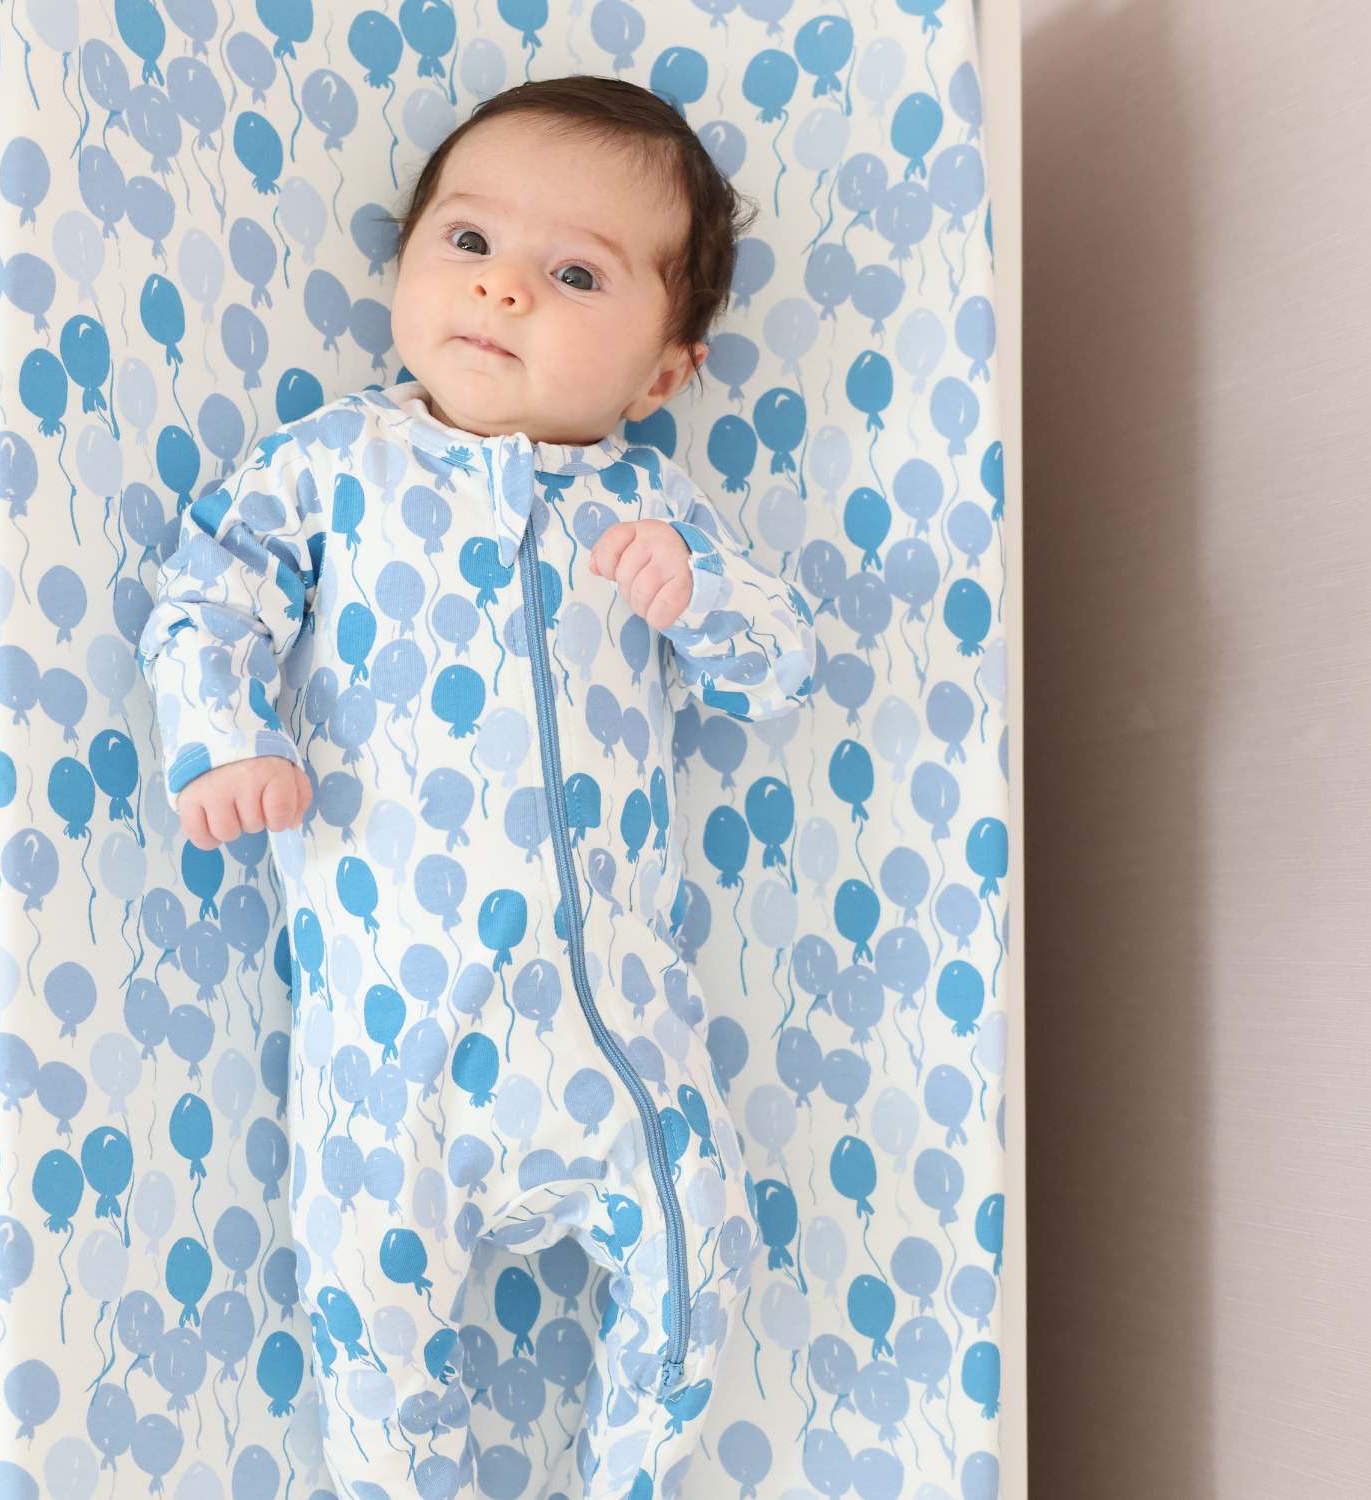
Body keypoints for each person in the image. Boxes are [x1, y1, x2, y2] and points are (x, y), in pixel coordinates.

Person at [138, 74, 816, 1500]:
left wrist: (699, 600)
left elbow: (780, 669)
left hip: (619, 1029)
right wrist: (225, 735)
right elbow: (207, 597)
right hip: (391, 1043)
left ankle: (629, 1477)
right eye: (468, 242)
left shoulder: (652, 506)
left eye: (576, 275)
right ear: (403, 266)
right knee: (366, 1323)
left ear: (662, 375)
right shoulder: (338, 462)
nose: (504, 287)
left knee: (708, 1246)